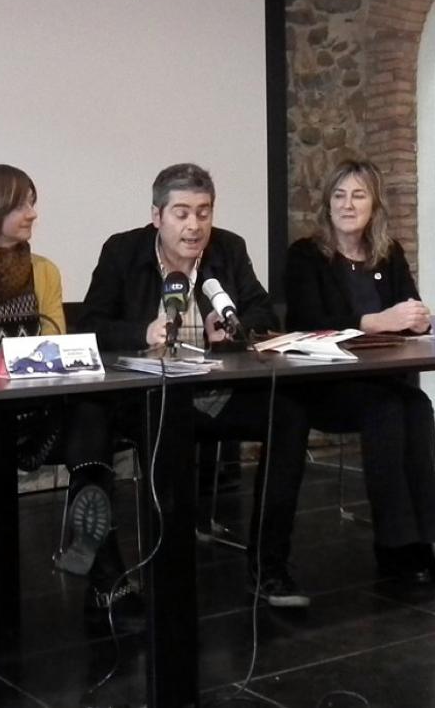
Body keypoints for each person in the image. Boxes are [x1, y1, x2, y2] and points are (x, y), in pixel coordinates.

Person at [80, 162, 315, 607]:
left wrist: (232, 330)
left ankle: (268, 567)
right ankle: (164, 574)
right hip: (146, 395)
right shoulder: (122, 251)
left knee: (289, 414)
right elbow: (91, 324)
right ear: (157, 216)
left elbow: (263, 313)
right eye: (182, 213)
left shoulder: (228, 248)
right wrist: (141, 332)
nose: (195, 226)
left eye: (204, 213)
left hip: (213, 392)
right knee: (161, 427)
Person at [0, 164, 142, 622]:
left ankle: (93, 539)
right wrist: (18, 366)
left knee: (91, 405)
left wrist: (40, 366)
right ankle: (107, 581)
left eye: (32, 202)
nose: (32, 213)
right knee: (90, 429)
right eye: (22, 204)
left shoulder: (44, 271)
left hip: (43, 411)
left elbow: (58, 349)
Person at [285, 159, 435, 584]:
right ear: (326, 205)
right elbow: (306, 320)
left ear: (374, 204)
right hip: (327, 384)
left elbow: (409, 309)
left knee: (418, 406)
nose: (347, 204)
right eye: (339, 195)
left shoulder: (389, 253)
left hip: (381, 379)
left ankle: (423, 540)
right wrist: (375, 321)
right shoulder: (305, 255)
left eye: (358, 195)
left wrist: (417, 319)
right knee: (388, 410)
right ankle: (393, 545)